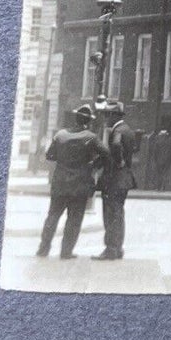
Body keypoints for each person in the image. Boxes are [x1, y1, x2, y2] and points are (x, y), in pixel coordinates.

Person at [37, 105, 104, 259]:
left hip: (60, 182)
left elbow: (49, 156)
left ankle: (43, 249)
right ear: (88, 122)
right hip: (79, 184)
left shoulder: (60, 135)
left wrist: (64, 160)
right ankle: (66, 251)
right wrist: (93, 165)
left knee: (52, 216)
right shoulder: (91, 137)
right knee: (74, 219)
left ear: (75, 118)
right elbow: (106, 154)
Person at [94, 100, 144, 261]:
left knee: (110, 215)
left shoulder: (117, 131)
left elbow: (115, 146)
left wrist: (117, 160)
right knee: (118, 214)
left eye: (107, 115)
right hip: (124, 178)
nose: (105, 118)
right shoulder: (128, 130)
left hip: (114, 178)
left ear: (115, 116)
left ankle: (111, 249)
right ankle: (118, 248)